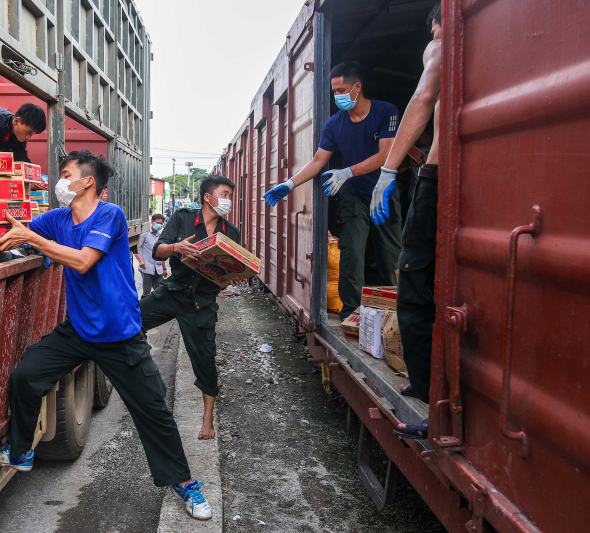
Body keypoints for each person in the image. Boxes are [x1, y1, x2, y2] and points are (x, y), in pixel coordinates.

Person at [0, 150, 212, 520]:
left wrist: (34, 240)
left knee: (153, 411)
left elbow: (82, 260)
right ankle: (21, 450)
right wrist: (6, 237)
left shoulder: (110, 215)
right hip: (79, 330)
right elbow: (22, 232)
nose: (59, 181)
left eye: (65, 173)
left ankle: (184, 483)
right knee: (26, 375)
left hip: (120, 335)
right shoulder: (58, 219)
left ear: (87, 181)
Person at [263, 62, 402, 321]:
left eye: (342, 89)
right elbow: (318, 161)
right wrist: (289, 184)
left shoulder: (386, 111)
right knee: (351, 253)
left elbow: (386, 155)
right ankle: (352, 315)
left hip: (383, 191)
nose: (338, 95)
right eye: (334, 91)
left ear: (357, 87)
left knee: (390, 256)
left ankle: (395, 315)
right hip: (354, 194)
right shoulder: (334, 124)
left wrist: (347, 171)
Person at [375, 4, 442, 436]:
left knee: (413, 282)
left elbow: (423, 97)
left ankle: (427, 391)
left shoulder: (442, 41)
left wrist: (387, 172)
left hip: (438, 182)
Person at [140, 175, 245, 441]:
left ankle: (207, 420)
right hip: (173, 292)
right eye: (225, 194)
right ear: (208, 197)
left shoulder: (231, 232)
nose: (229, 200)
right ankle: (141, 371)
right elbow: (158, 251)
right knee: (130, 321)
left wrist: (234, 276)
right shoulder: (182, 219)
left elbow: (229, 272)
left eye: (231, 195)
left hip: (202, 304)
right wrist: (176, 247)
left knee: (205, 362)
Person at [135, 214, 168, 297]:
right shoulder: (144, 235)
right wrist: (140, 261)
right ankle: (143, 309)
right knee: (146, 293)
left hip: (159, 269)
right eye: (157, 223)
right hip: (147, 268)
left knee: (159, 293)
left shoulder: (161, 237)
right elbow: (136, 250)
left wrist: (164, 268)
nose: (159, 225)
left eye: (161, 223)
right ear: (152, 222)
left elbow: (162, 254)